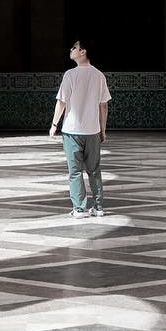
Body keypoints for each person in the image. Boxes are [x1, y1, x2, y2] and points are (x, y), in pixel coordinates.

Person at [48, 39, 110, 217]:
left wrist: (54, 125)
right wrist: (103, 130)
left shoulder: (70, 75)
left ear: (83, 51)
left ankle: (79, 208)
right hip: (92, 131)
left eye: (74, 47)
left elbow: (62, 102)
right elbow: (103, 106)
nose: (71, 50)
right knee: (94, 171)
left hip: (72, 131)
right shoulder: (99, 75)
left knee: (75, 172)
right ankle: (98, 207)